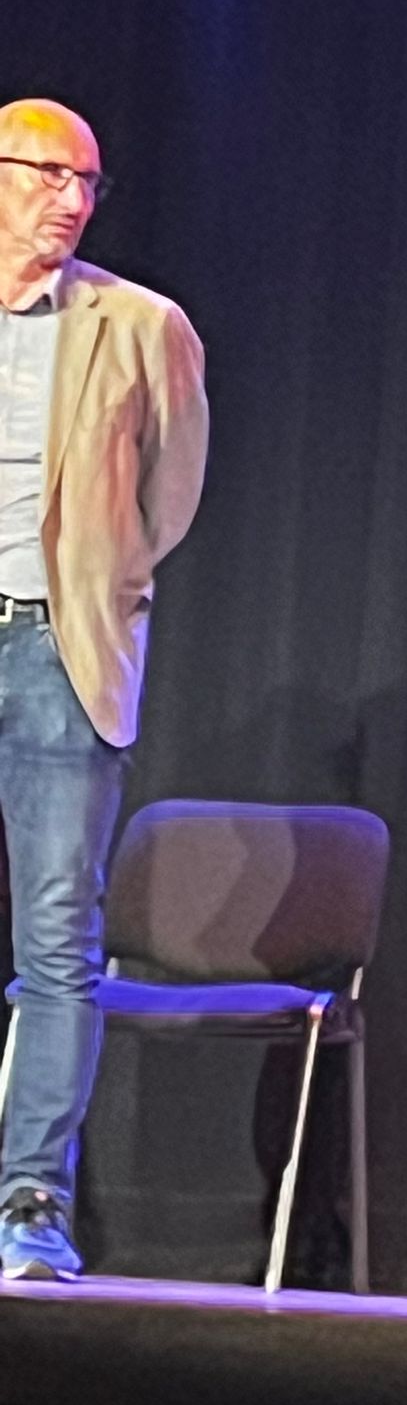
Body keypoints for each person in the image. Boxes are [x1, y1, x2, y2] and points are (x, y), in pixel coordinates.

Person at [0, 98, 207, 1281]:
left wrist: (101, 580)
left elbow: (169, 494)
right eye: (48, 174)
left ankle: (31, 1199)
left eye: (87, 181)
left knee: (56, 937)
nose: (71, 199)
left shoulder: (140, 323)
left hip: (57, 650)